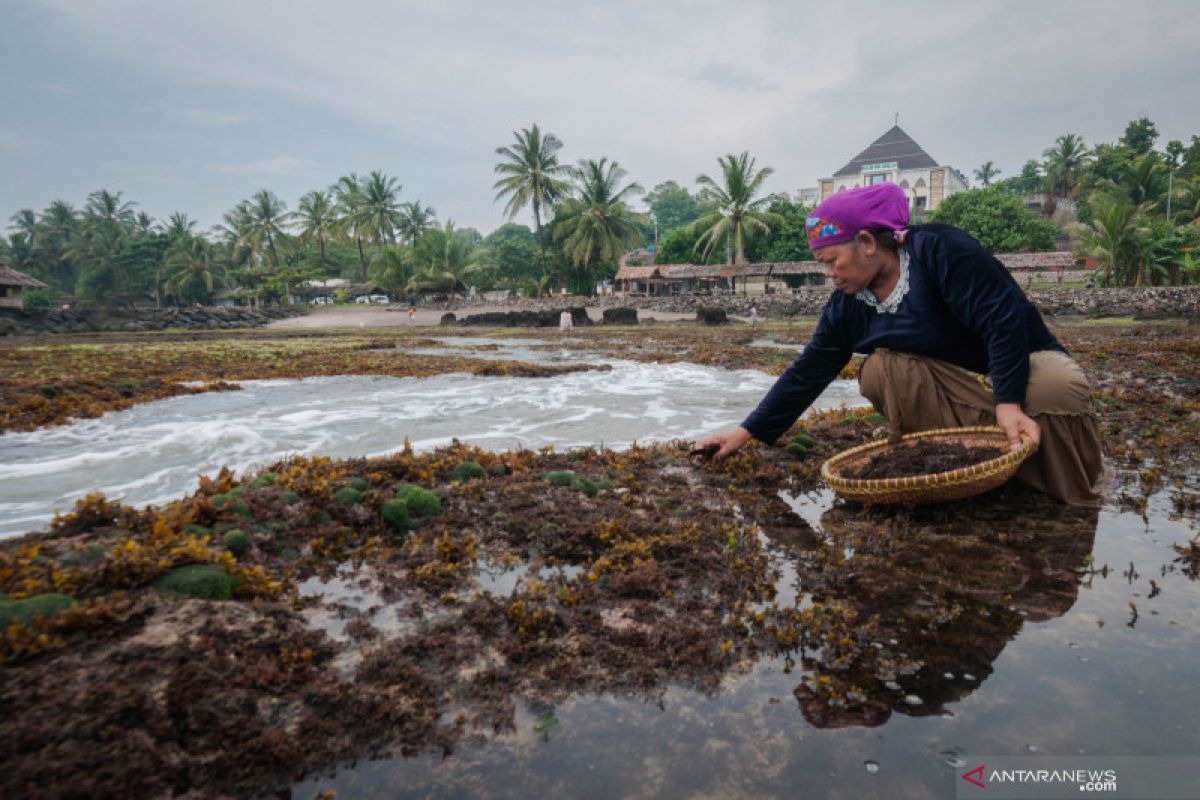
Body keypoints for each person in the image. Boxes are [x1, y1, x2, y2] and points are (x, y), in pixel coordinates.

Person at [698, 182, 1103, 505]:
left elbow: (1003, 320)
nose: (828, 274)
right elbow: (809, 369)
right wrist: (745, 432)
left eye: (830, 260)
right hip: (960, 391)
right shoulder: (848, 305)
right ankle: (974, 467)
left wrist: (1009, 402)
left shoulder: (940, 251)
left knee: (1057, 384)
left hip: (1020, 371)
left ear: (868, 243)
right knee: (880, 370)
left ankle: (1067, 485)